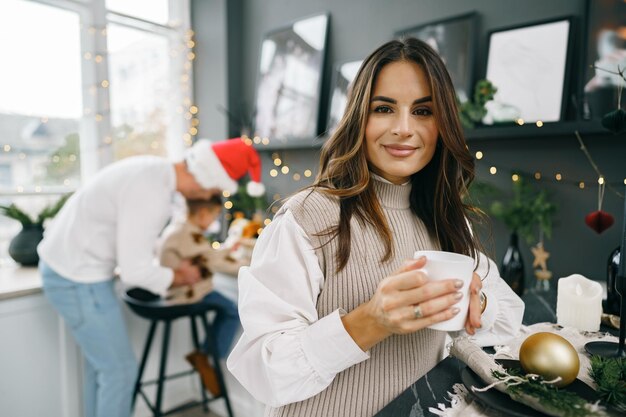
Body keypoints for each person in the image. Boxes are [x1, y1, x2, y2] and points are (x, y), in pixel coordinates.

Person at [227, 38, 525, 417]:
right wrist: (371, 321)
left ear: (443, 124)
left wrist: (476, 303)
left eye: (423, 111)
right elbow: (264, 371)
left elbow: (509, 317)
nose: (403, 128)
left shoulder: (447, 219)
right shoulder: (307, 218)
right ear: (358, 117)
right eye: (384, 108)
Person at [38, 137, 265, 417]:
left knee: (104, 370)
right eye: (214, 191)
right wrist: (179, 276)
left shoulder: (154, 173)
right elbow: (135, 272)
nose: (209, 198)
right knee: (120, 373)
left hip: (72, 269)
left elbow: (137, 248)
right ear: (206, 179)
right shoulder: (152, 192)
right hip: (77, 278)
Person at [157, 195, 245, 395]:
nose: (214, 221)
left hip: (178, 291)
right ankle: (208, 357)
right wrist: (246, 266)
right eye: (214, 216)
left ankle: (204, 354)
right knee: (232, 310)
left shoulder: (182, 228)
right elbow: (211, 261)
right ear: (203, 213)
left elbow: (206, 254)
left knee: (225, 306)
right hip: (185, 294)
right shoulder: (187, 235)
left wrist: (227, 249)